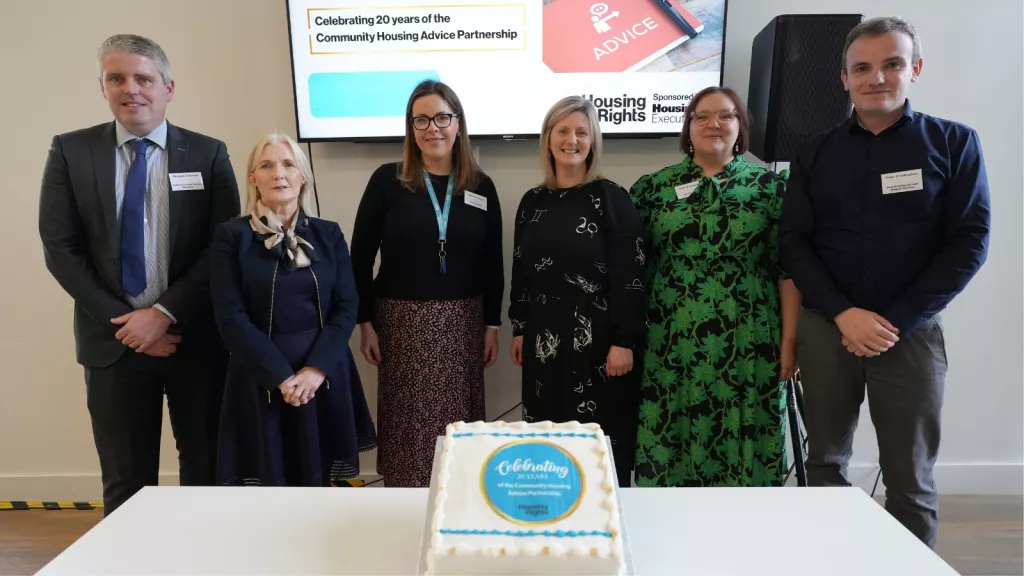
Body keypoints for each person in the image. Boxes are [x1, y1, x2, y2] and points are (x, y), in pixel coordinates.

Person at [779, 17, 991, 549]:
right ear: (844, 79)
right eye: (863, 67)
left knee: (910, 477)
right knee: (824, 460)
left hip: (911, 333)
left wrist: (894, 320)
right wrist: (844, 314)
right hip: (828, 330)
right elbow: (794, 242)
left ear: (914, 68)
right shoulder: (814, 152)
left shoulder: (955, 143)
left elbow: (969, 242)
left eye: (891, 64)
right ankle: (827, 559)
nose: (877, 77)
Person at [38, 34, 240, 514]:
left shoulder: (209, 155)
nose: (132, 89)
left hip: (194, 339)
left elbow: (222, 246)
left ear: (169, 88)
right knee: (126, 485)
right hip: (113, 345)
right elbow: (60, 248)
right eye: (117, 78)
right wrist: (130, 325)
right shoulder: (71, 151)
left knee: (206, 474)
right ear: (102, 87)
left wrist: (164, 313)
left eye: (144, 78)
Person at [628, 86, 801, 488]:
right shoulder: (652, 189)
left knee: (746, 432)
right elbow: (632, 269)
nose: (713, 124)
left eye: (725, 115)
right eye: (701, 116)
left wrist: (790, 341)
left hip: (750, 337)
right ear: (687, 128)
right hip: (670, 337)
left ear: (740, 126)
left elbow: (786, 271)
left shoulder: (769, 189)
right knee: (672, 432)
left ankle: (742, 537)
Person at [350, 80, 504, 487]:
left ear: (458, 124)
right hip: (401, 326)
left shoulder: (480, 186)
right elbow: (359, 258)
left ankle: (460, 502)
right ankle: (406, 503)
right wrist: (364, 322)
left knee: (459, 432)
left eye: (441, 117)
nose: (432, 128)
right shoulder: (387, 181)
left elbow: (493, 263)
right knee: (408, 426)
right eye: (421, 119)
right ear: (410, 127)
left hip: (462, 325)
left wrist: (492, 325)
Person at [209, 133, 377, 487]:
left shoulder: (329, 234)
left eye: (288, 164)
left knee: (319, 478)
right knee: (270, 478)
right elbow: (230, 316)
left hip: (323, 376)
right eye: (266, 165)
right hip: (261, 376)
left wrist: (315, 371)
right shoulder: (231, 237)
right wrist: (283, 378)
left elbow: (347, 306)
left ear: (303, 175)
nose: (278, 174)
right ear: (253, 178)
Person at [508, 96, 646, 487]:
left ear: (593, 141)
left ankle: (605, 531)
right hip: (543, 341)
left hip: (600, 342)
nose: (572, 139)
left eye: (581, 132)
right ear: (549, 139)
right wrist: (519, 327)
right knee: (547, 444)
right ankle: (550, 521)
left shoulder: (611, 198)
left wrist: (624, 340)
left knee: (599, 446)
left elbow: (630, 273)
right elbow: (521, 268)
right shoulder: (531, 201)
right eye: (563, 130)